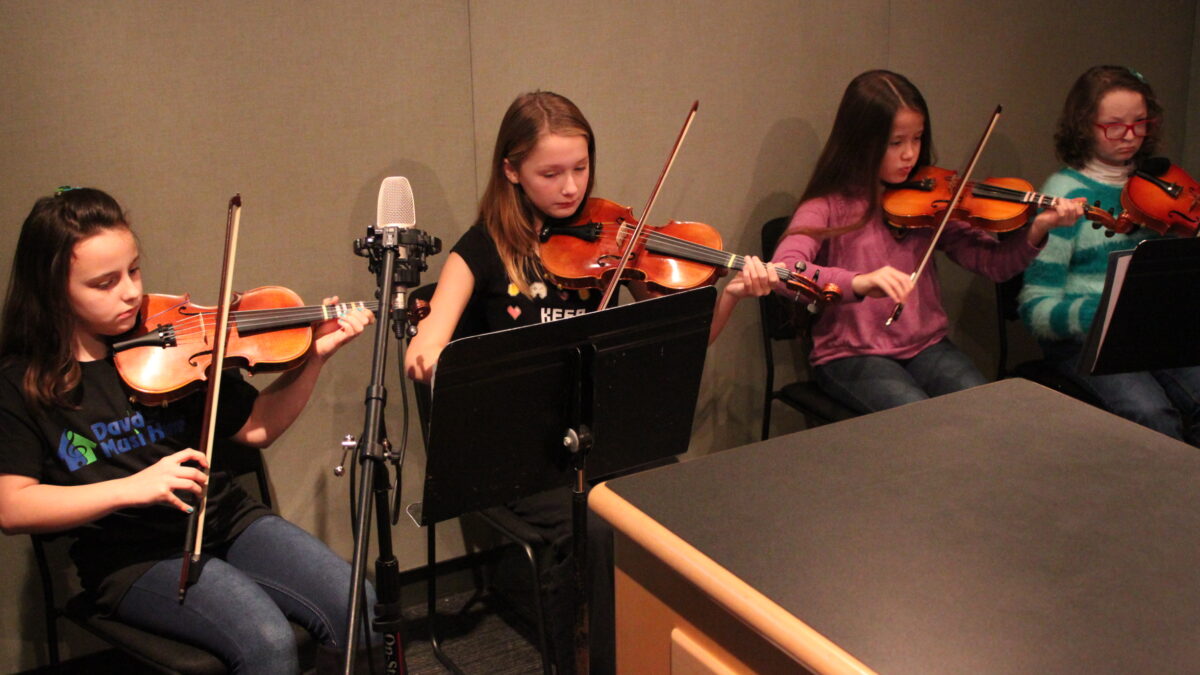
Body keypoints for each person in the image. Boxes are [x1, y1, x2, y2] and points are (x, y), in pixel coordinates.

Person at [404, 90, 772, 673]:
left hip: (602, 437)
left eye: (580, 168)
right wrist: (428, 350)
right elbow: (431, 335)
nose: (571, 187)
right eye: (550, 173)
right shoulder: (480, 249)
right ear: (511, 171)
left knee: (677, 504)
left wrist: (727, 295)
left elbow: (681, 342)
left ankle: (665, 651)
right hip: (523, 455)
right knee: (594, 528)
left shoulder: (611, 238)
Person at [0, 187, 377, 674]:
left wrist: (313, 362)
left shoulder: (173, 336)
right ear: (53, 288)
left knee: (361, 609)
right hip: (131, 558)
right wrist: (133, 488)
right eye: (104, 283)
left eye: (133, 270)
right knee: (268, 642)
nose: (132, 292)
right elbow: (12, 506)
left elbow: (257, 429)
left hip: (227, 520)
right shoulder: (22, 382)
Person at [771, 69, 1083, 414]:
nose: (910, 154)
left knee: (988, 408)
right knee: (920, 419)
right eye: (896, 142)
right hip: (850, 354)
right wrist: (858, 282)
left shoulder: (930, 198)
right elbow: (785, 271)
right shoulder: (827, 204)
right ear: (861, 141)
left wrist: (1037, 229)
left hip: (926, 347)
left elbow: (994, 265)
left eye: (917, 139)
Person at [1018, 65, 1200, 446]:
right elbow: (1036, 306)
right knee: (1150, 414)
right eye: (1114, 126)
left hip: (1152, 330)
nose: (1130, 137)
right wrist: (1096, 315)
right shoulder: (1065, 193)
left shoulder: (1159, 187)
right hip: (1084, 339)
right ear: (1085, 126)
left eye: (1140, 123)